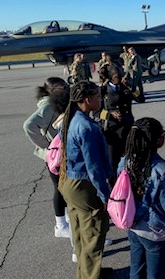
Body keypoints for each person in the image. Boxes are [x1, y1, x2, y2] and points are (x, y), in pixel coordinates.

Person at [119, 118, 165, 279]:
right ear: (157, 140)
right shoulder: (162, 169)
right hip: (156, 232)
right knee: (156, 275)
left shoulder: (125, 162)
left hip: (133, 226)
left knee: (136, 271)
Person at [58, 81, 113, 279]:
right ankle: (90, 276)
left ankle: (87, 272)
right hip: (83, 184)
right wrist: (106, 196)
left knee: (80, 232)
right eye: (98, 96)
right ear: (88, 100)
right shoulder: (87, 127)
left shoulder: (71, 118)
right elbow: (94, 168)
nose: (101, 99)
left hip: (70, 182)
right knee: (93, 232)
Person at [23, 77, 71, 239]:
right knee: (60, 188)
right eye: (60, 87)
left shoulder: (53, 102)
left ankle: (65, 220)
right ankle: (61, 225)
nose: (65, 88)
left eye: (65, 85)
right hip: (54, 155)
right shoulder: (49, 105)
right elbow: (29, 125)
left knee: (63, 187)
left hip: (55, 154)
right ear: (51, 90)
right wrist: (47, 145)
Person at [98, 66, 137, 179]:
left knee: (129, 159)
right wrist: (111, 114)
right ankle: (114, 186)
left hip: (127, 127)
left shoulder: (125, 88)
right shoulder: (103, 91)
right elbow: (97, 113)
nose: (119, 78)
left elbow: (141, 98)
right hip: (112, 131)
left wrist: (130, 85)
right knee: (112, 162)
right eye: (116, 76)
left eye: (120, 75)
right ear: (110, 78)